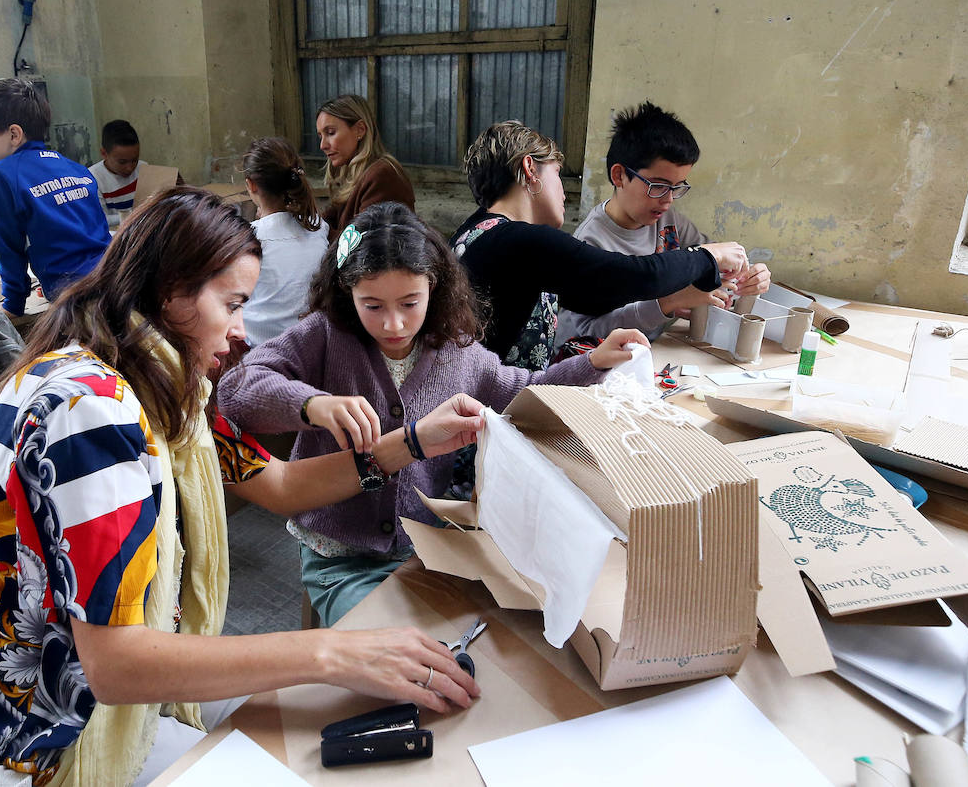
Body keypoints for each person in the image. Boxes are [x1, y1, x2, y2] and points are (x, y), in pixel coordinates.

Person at [0, 187, 480, 786]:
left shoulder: (161, 391)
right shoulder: (90, 413)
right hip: (48, 734)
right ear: (171, 294)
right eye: (233, 303)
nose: (241, 331)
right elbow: (116, 665)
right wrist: (333, 651)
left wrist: (414, 442)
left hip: (100, 694)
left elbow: (284, 485)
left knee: (323, 721)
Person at [216, 201, 647, 627]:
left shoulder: (456, 353)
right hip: (338, 554)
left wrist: (593, 364)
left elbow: (522, 392)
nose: (393, 324)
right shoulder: (325, 335)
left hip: (421, 548)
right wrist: (312, 405)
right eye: (373, 305)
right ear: (347, 292)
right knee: (391, 649)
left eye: (409, 303)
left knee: (483, 645)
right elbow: (238, 391)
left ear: (434, 288)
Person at [451, 120, 748, 370]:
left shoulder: (475, 230)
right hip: (482, 410)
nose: (564, 194)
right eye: (556, 174)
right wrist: (706, 256)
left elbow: (592, 298)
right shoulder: (521, 240)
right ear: (530, 168)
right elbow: (630, 276)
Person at [560, 103, 771, 342]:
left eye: (676, 187)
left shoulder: (668, 221)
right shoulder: (590, 243)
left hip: (656, 352)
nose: (668, 200)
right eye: (658, 186)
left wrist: (749, 277)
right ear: (619, 176)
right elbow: (585, 332)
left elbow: (717, 265)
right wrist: (669, 303)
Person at [0, 78, 110, 315]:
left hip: (77, 299)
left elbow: (6, 244)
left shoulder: (2, 173)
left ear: (14, 135)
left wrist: (13, 303)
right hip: (115, 278)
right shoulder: (75, 168)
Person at [240, 136, 329, 345]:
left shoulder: (248, 238)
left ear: (251, 185)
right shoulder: (317, 227)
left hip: (260, 350)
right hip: (310, 343)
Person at [316, 93, 415, 238]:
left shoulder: (383, 176)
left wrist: (315, 232)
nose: (322, 145)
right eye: (320, 136)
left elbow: (362, 245)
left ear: (360, 130)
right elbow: (332, 219)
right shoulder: (354, 172)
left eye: (331, 133)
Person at [86, 119, 143, 225]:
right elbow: (100, 219)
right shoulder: (92, 179)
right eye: (122, 162)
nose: (129, 168)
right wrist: (136, 216)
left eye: (135, 160)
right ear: (104, 153)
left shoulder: (144, 170)